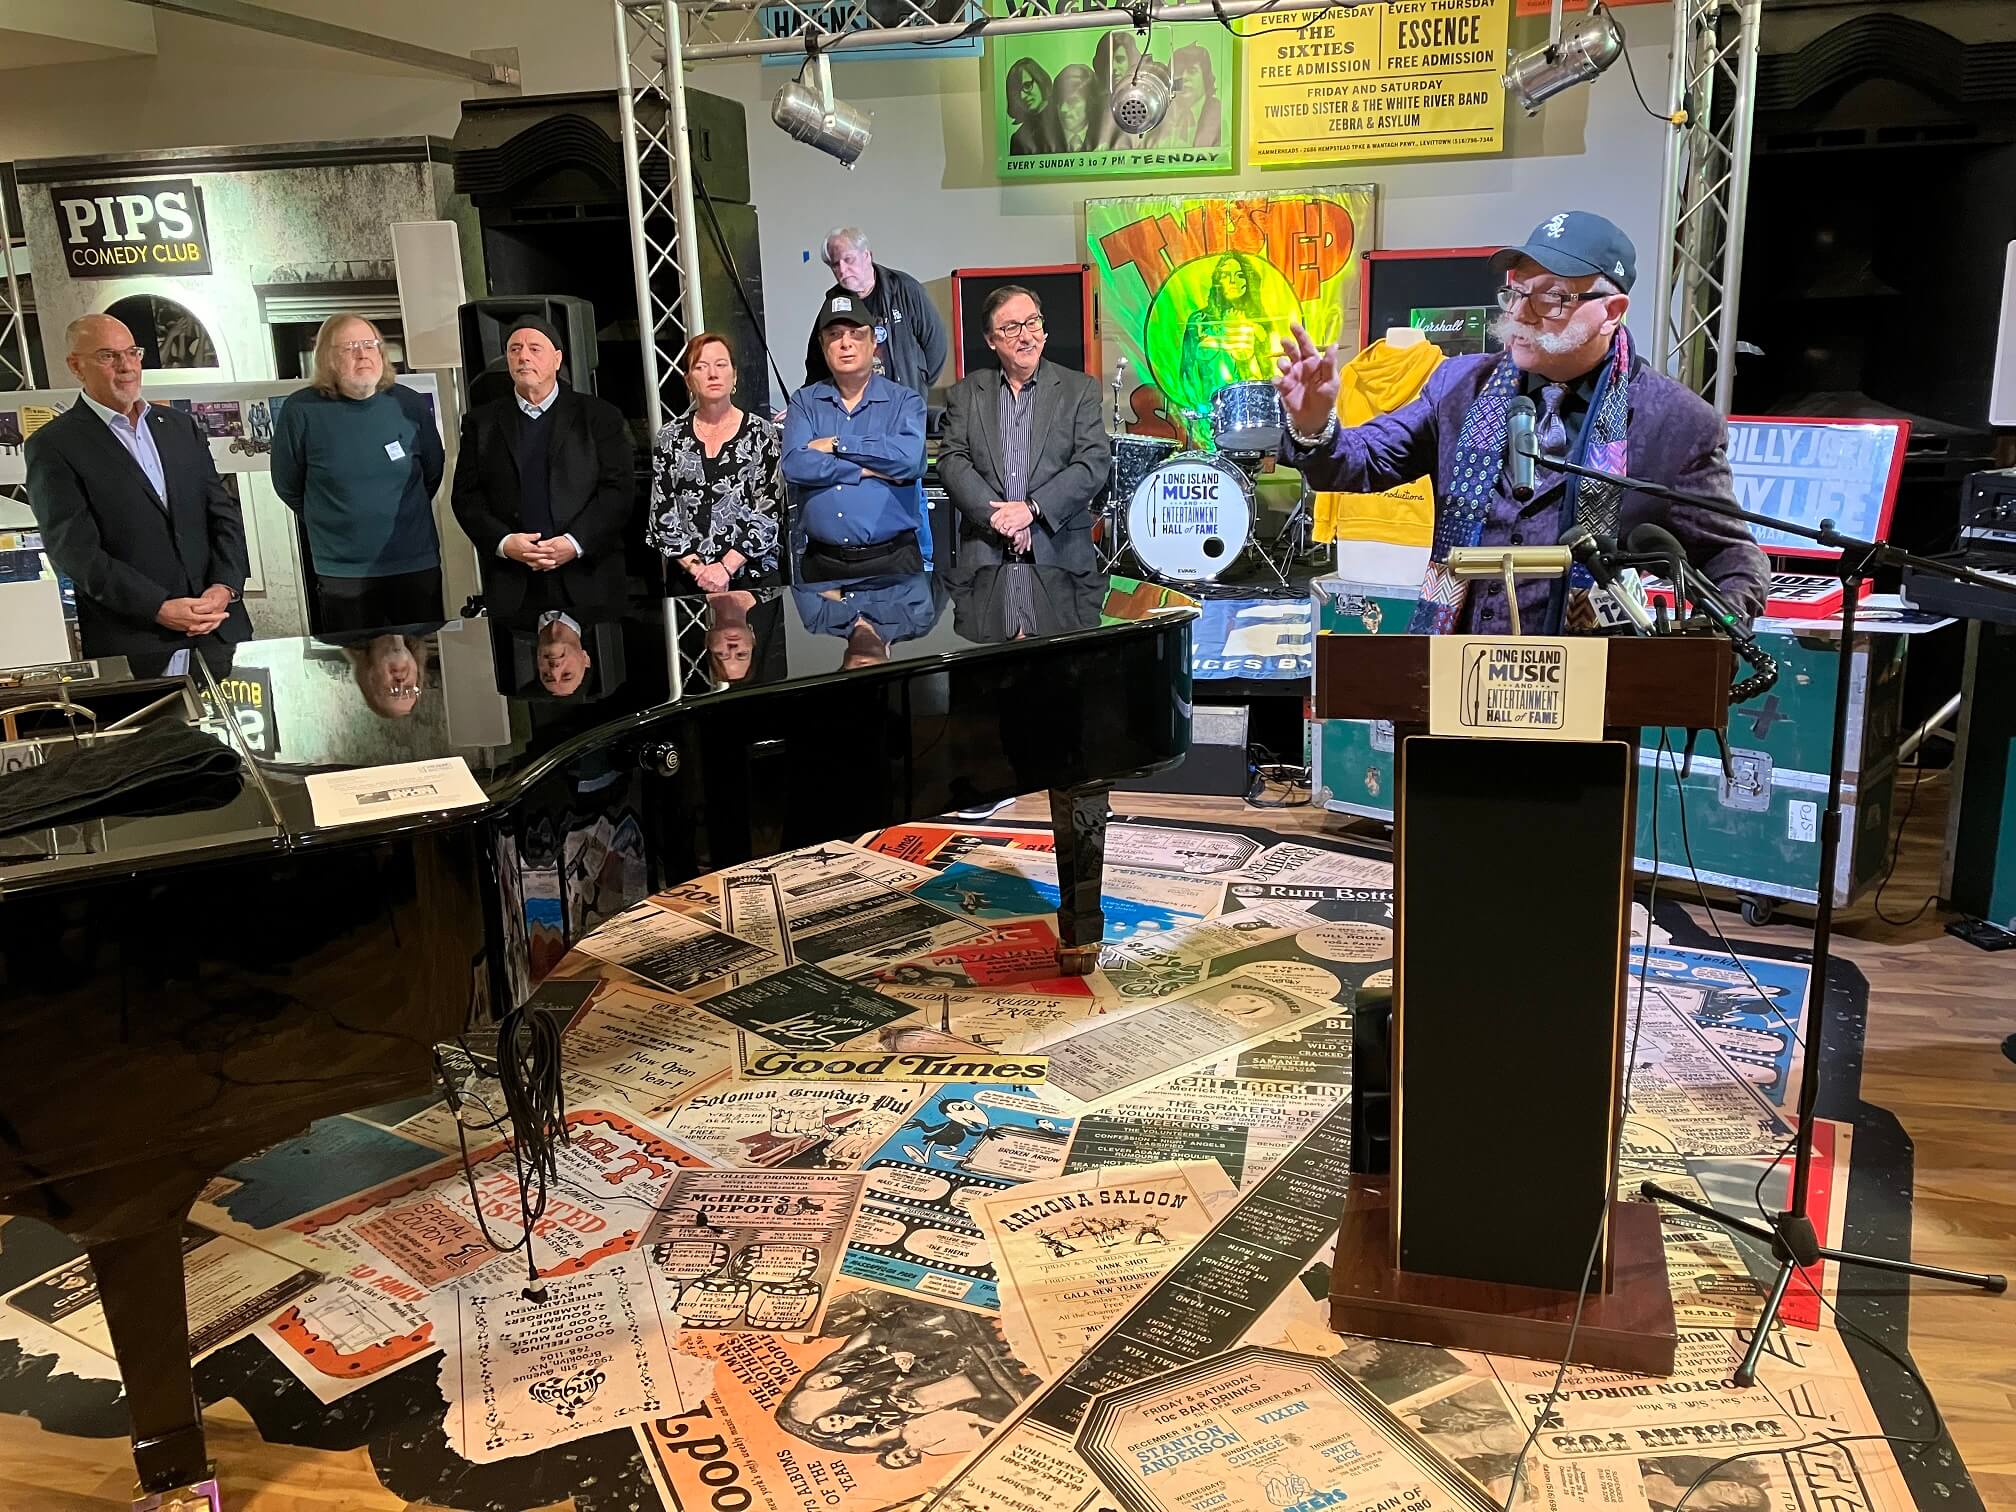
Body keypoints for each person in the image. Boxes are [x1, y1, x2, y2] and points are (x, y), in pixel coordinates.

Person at [1274, 211, 1770, 636]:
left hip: (1595, 696)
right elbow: (1362, 461)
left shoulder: (1677, 424)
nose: (1523, 314)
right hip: (1456, 679)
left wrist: (1701, 642)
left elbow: (1734, 560)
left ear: (1612, 311)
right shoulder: (1457, 386)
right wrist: (1315, 426)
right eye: (1516, 294)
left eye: (1552, 297)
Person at [25, 313, 251, 674]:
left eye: (132, 353)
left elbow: (223, 516)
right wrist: (158, 606)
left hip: (218, 630)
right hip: (138, 643)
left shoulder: (179, 427)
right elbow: (75, 553)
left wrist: (225, 586)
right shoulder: (54, 445)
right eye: (108, 356)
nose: (126, 366)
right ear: (76, 366)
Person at [450, 317, 634, 620]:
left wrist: (572, 543)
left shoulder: (600, 416)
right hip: (513, 583)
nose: (523, 357)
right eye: (514, 349)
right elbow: (466, 497)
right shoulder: (480, 423)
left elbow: (618, 491)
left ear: (557, 358)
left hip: (588, 579)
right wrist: (505, 543)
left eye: (535, 349)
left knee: (589, 668)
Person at [271, 313, 445, 633]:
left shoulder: (408, 403)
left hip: (414, 564)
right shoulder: (301, 411)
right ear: (328, 359)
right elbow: (287, 485)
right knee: (356, 666)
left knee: (423, 661)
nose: (362, 354)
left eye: (369, 345)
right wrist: (334, 519)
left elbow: (432, 472)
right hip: (343, 573)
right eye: (349, 347)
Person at [937, 284, 1107, 590]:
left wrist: (1030, 510)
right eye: (1011, 327)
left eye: (1033, 322)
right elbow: (952, 461)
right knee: (990, 638)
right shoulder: (966, 393)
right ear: (991, 339)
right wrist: (1002, 518)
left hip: (1060, 552)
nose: (1026, 335)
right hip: (985, 552)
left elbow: (1092, 463)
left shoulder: (1079, 389)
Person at [784, 295, 932, 581]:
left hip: (893, 562)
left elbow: (910, 461)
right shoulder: (804, 402)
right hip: (822, 567)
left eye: (856, 334)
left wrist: (836, 444)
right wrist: (867, 468)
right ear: (823, 344)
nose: (845, 343)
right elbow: (795, 465)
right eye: (834, 335)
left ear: (874, 342)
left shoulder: (905, 401)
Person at [646, 331, 784, 592]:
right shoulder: (669, 437)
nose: (712, 374)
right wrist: (700, 570)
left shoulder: (761, 433)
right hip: (690, 581)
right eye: (701, 366)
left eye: (721, 365)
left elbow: (769, 511)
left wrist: (725, 568)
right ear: (688, 380)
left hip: (752, 577)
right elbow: (662, 514)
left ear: (734, 375)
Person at [802, 228, 947, 401]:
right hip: (854, 411)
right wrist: (805, 403)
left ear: (867, 256)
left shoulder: (904, 288)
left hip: (902, 403)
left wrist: (919, 383)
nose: (842, 270)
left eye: (849, 260)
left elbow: (936, 344)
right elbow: (816, 363)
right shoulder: (834, 302)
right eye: (835, 264)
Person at [1180, 252, 1278, 400]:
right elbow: (1186, 370)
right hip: (1211, 414)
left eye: (1239, 275)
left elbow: (1268, 372)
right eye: (1225, 275)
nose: (1233, 281)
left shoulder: (1259, 323)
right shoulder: (1200, 320)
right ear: (1217, 281)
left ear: (1248, 280)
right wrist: (1198, 406)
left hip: (1251, 408)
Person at [1151, 45, 1222, 149]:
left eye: (1192, 71)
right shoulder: (1160, 112)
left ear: (1205, 77)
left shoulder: (1221, 114)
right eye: (1178, 72)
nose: (1184, 77)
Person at [1004, 58, 1063, 157]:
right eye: (1017, 92)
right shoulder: (1018, 139)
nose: (1023, 96)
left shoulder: (1066, 117)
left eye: (1027, 86)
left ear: (1040, 79)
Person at [1053, 64, 1096, 152]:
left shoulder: (1106, 136)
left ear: (1090, 103)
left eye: (1072, 102)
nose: (1063, 109)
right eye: (1059, 101)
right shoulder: (1040, 140)